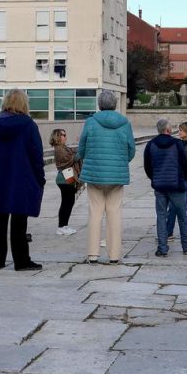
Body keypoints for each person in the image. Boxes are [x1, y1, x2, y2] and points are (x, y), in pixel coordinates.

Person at [0, 89, 46, 270]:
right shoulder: (28, 125)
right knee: (20, 219)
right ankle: (21, 260)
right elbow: (36, 154)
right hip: (21, 177)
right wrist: (40, 178)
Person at [76, 89, 136, 264]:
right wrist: (120, 162)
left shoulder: (91, 122)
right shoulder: (125, 123)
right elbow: (131, 150)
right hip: (116, 175)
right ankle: (114, 255)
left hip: (95, 175)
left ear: (99, 105)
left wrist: (88, 158)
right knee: (114, 213)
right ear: (115, 104)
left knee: (95, 213)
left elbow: (82, 148)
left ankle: (93, 254)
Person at [145, 118, 187, 257]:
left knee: (161, 216)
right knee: (182, 216)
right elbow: (185, 164)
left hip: (159, 186)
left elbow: (147, 166)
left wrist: (155, 178)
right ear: (168, 130)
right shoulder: (177, 144)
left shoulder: (151, 145)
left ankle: (162, 248)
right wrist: (182, 177)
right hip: (176, 185)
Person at [50, 128, 79, 235]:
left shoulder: (63, 147)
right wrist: (81, 150)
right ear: (57, 136)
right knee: (67, 203)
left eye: (65, 134)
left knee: (68, 202)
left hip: (68, 178)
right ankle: (61, 227)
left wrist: (80, 145)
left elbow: (74, 152)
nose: (65, 136)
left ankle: (64, 226)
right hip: (64, 179)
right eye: (63, 135)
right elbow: (72, 159)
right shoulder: (59, 149)